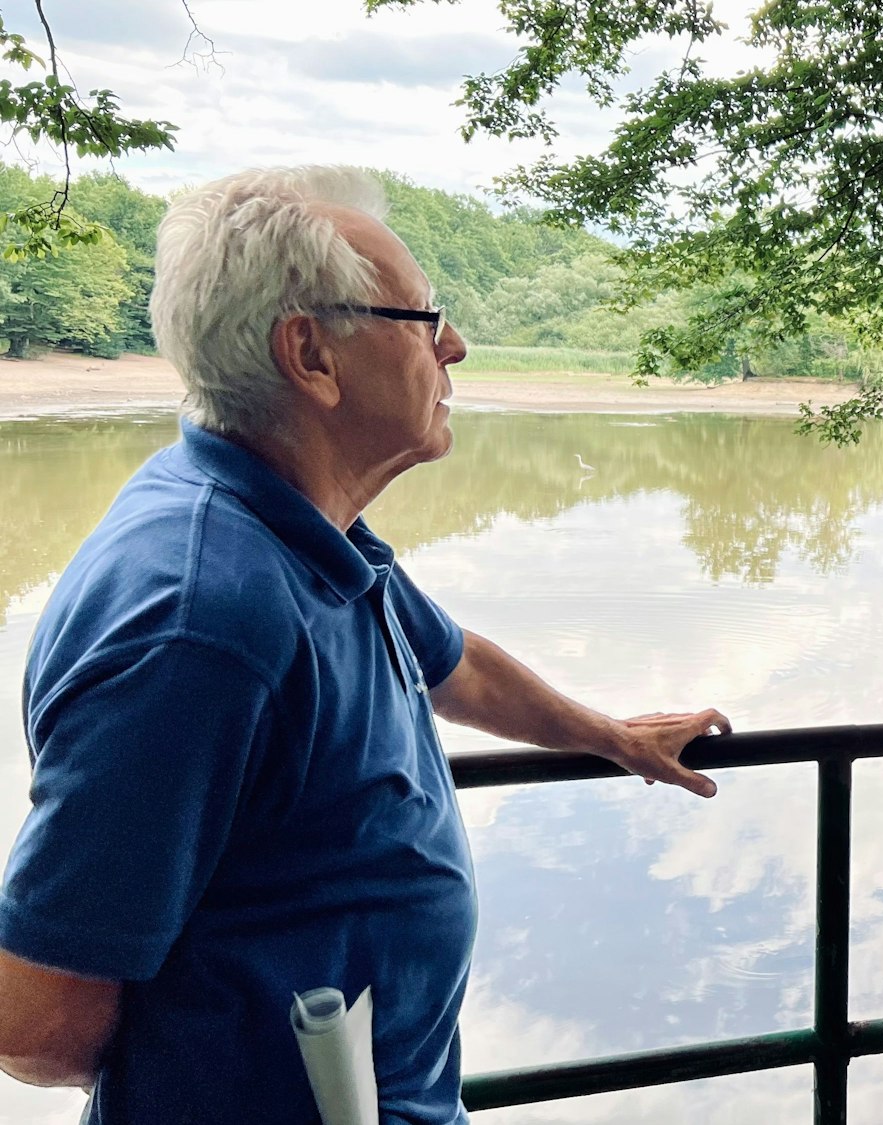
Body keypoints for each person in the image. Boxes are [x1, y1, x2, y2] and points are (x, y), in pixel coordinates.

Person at [0, 166, 730, 1123]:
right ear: (312, 355)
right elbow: (39, 1019)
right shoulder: (200, 621)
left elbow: (454, 663)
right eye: (424, 320)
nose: (455, 346)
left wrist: (613, 737)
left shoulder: (304, 526)